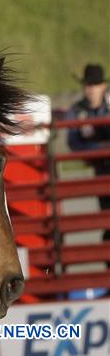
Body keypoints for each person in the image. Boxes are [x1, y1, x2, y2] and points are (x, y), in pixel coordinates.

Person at [66, 63, 110, 244]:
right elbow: (73, 142)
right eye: (88, 85)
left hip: (100, 166)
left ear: (103, 86)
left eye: (95, 84)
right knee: (106, 213)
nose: (91, 89)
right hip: (99, 169)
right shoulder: (77, 111)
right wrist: (101, 148)